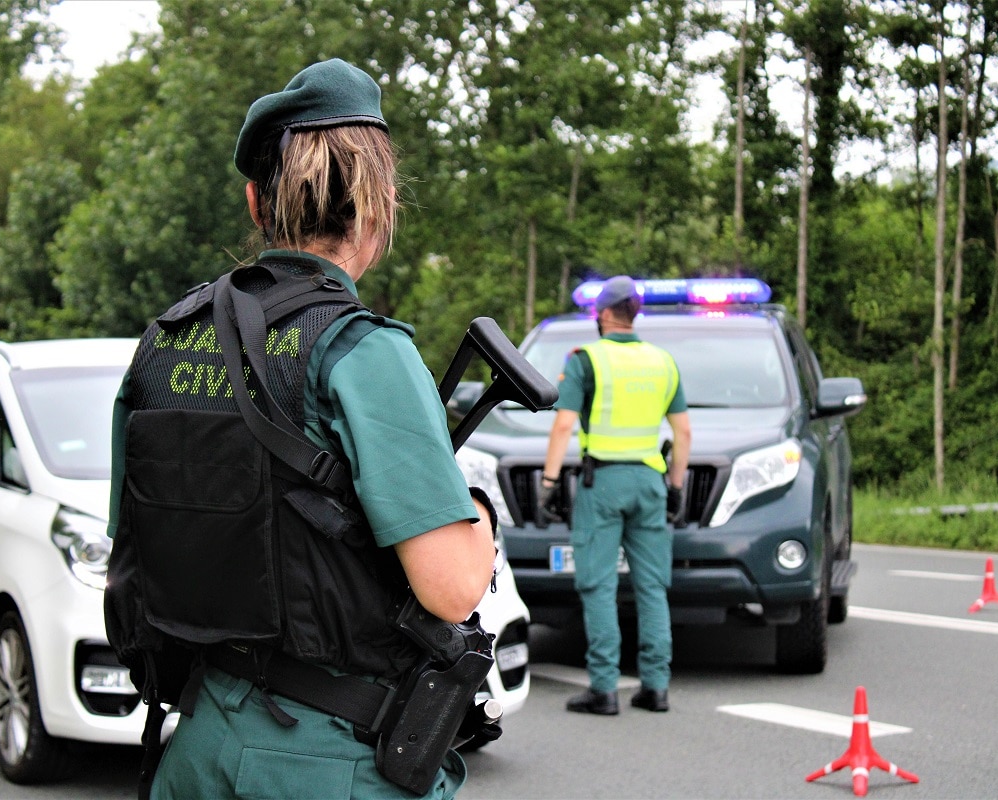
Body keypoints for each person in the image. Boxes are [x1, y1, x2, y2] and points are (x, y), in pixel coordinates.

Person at [106, 58, 497, 799]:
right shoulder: (364, 349)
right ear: (379, 202)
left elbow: (133, 544)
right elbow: (450, 589)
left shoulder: (166, 341)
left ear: (257, 202)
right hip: (331, 759)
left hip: (198, 744)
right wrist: (477, 515)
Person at [540, 275, 691, 715]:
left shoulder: (586, 359)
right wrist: (676, 486)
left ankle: (604, 689)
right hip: (650, 482)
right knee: (652, 587)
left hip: (602, 483)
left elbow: (564, 424)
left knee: (598, 584)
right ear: (635, 313)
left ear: (605, 314)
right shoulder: (663, 362)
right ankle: (656, 687)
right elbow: (682, 431)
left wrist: (549, 484)